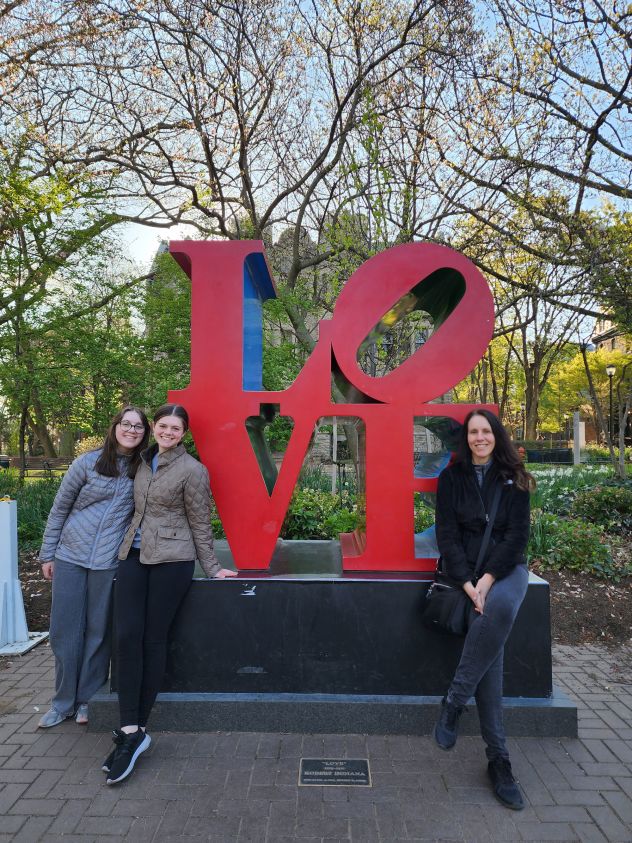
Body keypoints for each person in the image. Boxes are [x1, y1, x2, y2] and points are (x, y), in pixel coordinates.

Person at [104, 403, 237, 785]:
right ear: (154, 428)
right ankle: (129, 725)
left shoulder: (193, 470)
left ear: (184, 434)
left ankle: (135, 730)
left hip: (173, 560)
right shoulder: (142, 461)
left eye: (176, 429)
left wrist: (211, 567)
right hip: (132, 554)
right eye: (163, 426)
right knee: (126, 637)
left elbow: (200, 521)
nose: (168, 432)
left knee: (152, 639)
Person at [433, 409, 535, 810]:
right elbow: (447, 535)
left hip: (507, 571)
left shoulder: (516, 479)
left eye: (486, 431)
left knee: (499, 609)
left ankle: (454, 701)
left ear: (497, 436)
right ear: (467, 439)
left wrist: (488, 581)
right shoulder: (451, 479)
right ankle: (499, 759)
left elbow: (517, 538)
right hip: (466, 575)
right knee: (490, 648)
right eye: (473, 432)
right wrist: (467, 584)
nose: (480, 438)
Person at [38, 407, 150, 728]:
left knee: (99, 632)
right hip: (70, 557)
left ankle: (87, 699)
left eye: (138, 427)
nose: (131, 430)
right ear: (115, 427)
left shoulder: (142, 470)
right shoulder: (87, 463)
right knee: (64, 631)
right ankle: (62, 703)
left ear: (144, 434)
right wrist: (48, 555)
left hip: (108, 562)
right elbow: (59, 510)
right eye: (126, 424)